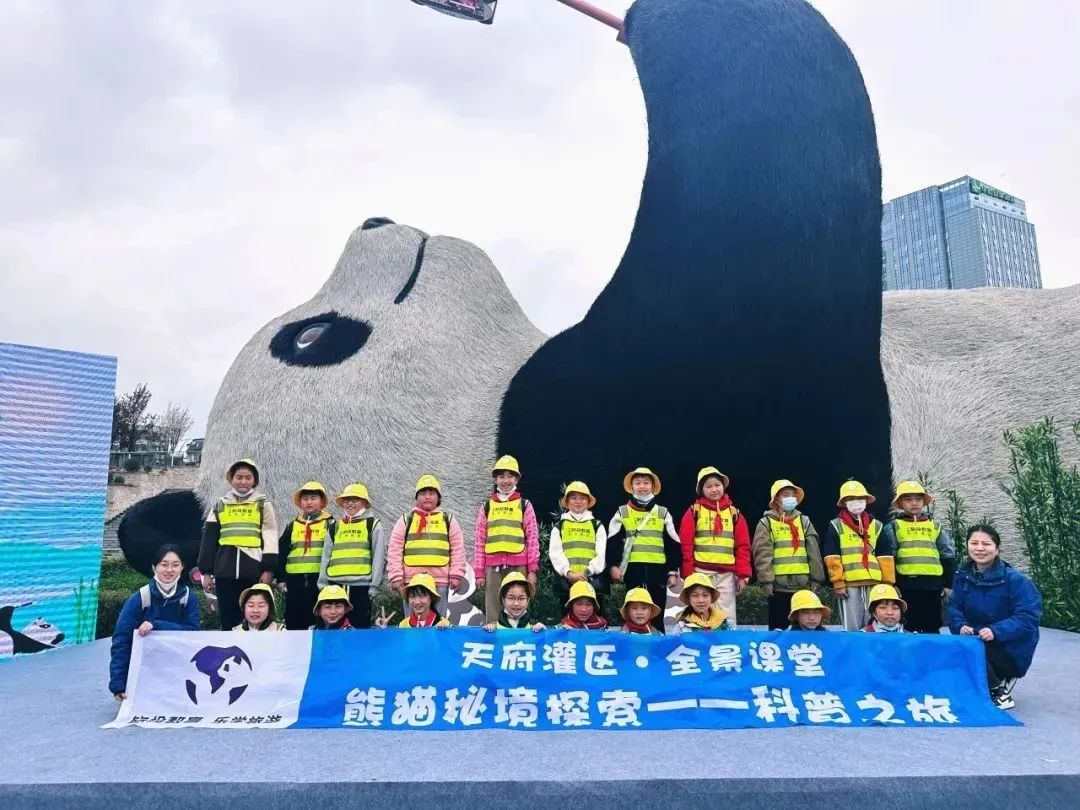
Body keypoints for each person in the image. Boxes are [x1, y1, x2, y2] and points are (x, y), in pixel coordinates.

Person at [948, 524, 1042, 710]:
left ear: (997, 549)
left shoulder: (1016, 580)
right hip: (976, 639)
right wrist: (960, 625)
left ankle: (998, 690)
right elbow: (954, 607)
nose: (980, 548)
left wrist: (995, 631)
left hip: (1010, 648)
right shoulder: (962, 576)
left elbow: (1028, 617)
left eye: (986, 544)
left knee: (969, 650)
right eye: (974, 543)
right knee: (947, 649)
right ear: (967, 546)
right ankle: (982, 683)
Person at [197, 458, 279, 631]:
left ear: (254, 480)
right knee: (228, 618)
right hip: (224, 570)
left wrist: (268, 569)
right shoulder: (220, 504)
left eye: (248, 477)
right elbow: (209, 538)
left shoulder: (263, 504)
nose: (243, 481)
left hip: (253, 569)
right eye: (239, 477)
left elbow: (270, 535)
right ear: (231, 479)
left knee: (253, 617)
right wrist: (206, 571)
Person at [110, 544, 200, 700]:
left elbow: (193, 633)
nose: (169, 570)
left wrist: (156, 625)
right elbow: (122, 641)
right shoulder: (140, 598)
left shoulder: (188, 597)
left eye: (175, 565)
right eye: (164, 564)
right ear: (154, 567)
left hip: (178, 671)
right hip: (145, 672)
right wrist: (118, 685)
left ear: (182, 568)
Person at [607, 467, 681, 632]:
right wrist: (613, 565)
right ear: (631, 486)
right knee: (633, 609)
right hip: (633, 569)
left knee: (657, 609)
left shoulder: (663, 512)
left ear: (653, 487)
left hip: (658, 570)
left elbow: (673, 543)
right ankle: (630, 640)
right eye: (638, 483)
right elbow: (612, 541)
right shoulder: (622, 512)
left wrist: (672, 572)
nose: (642, 486)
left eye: (646, 483)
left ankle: (658, 640)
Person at [678, 466, 751, 626]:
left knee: (727, 617)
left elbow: (743, 546)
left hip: (727, 575)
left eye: (717, 485)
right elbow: (686, 545)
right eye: (708, 486)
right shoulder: (694, 511)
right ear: (701, 490)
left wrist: (743, 575)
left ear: (723, 487)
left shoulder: (735, 513)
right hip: (701, 573)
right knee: (700, 614)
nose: (714, 489)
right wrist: (688, 572)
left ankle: (727, 641)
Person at [881, 480, 955, 634]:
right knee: (908, 625)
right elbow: (890, 557)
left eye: (918, 499)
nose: (914, 503)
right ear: (900, 503)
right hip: (906, 586)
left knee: (933, 624)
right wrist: (893, 583)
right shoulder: (894, 527)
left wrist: (948, 583)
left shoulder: (935, 526)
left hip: (933, 586)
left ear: (923, 502)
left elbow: (947, 555)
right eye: (908, 499)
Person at [473, 455, 540, 623]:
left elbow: (532, 538)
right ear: (495, 479)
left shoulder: (524, 505)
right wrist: (479, 571)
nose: (505, 480)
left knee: (519, 606)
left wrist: (532, 570)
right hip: (492, 567)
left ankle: (521, 637)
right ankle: (493, 638)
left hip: (519, 566)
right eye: (501, 476)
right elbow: (480, 540)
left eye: (510, 476)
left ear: (516, 478)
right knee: (493, 611)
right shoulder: (487, 506)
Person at [387, 475, 466, 615]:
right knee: (412, 623)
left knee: (438, 623)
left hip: (440, 581)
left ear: (438, 497)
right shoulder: (406, 519)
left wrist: (456, 575)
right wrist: (396, 576)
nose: (427, 497)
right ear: (417, 497)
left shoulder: (448, 520)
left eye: (431, 493)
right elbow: (394, 549)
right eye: (423, 493)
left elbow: (458, 549)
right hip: (412, 582)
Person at [752, 478, 825, 630]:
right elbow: (762, 554)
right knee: (779, 631)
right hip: (778, 588)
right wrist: (766, 581)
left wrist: (817, 579)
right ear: (776, 500)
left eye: (793, 495)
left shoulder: (804, 521)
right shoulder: (766, 523)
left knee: (804, 629)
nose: (791, 498)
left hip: (803, 587)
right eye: (786, 495)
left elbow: (814, 552)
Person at [822, 480, 895, 631]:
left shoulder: (876, 525)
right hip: (849, 584)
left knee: (875, 625)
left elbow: (885, 556)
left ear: (867, 500)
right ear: (844, 502)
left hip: (875, 583)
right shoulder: (836, 525)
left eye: (860, 498)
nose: (856, 502)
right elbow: (832, 556)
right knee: (852, 626)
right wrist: (838, 582)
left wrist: (888, 584)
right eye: (851, 498)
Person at [319, 482, 385, 629]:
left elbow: (379, 557)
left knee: (359, 630)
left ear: (364, 502)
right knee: (333, 630)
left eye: (355, 499)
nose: (350, 503)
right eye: (346, 500)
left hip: (361, 587)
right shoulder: (334, 526)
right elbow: (326, 557)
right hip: (334, 586)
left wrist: (374, 586)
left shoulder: (373, 525)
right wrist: (322, 584)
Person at [278, 481, 336, 630]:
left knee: (319, 621)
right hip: (294, 582)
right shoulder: (292, 525)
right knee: (293, 621)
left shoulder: (331, 524)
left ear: (322, 501)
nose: (309, 502)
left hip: (320, 581)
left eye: (313, 498)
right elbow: (282, 552)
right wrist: (281, 579)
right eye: (305, 499)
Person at [548, 480, 608, 608]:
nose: (578, 502)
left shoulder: (597, 525)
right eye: (574, 498)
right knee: (567, 617)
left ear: (588, 501)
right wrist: (569, 574)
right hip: (567, 582)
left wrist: (586, 573)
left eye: (582, 498)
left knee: (593, 614)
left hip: (591, 580)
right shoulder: (559, 526)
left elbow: (601, 554)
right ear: (567, 501)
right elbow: (555, 553)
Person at [386, 573, 451, 628]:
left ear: (432, 598)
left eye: (422, 596)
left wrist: (445, 634)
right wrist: (383, 630)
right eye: (412, 596)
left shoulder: (444, 625)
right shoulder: (403, 626)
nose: (417, 602)